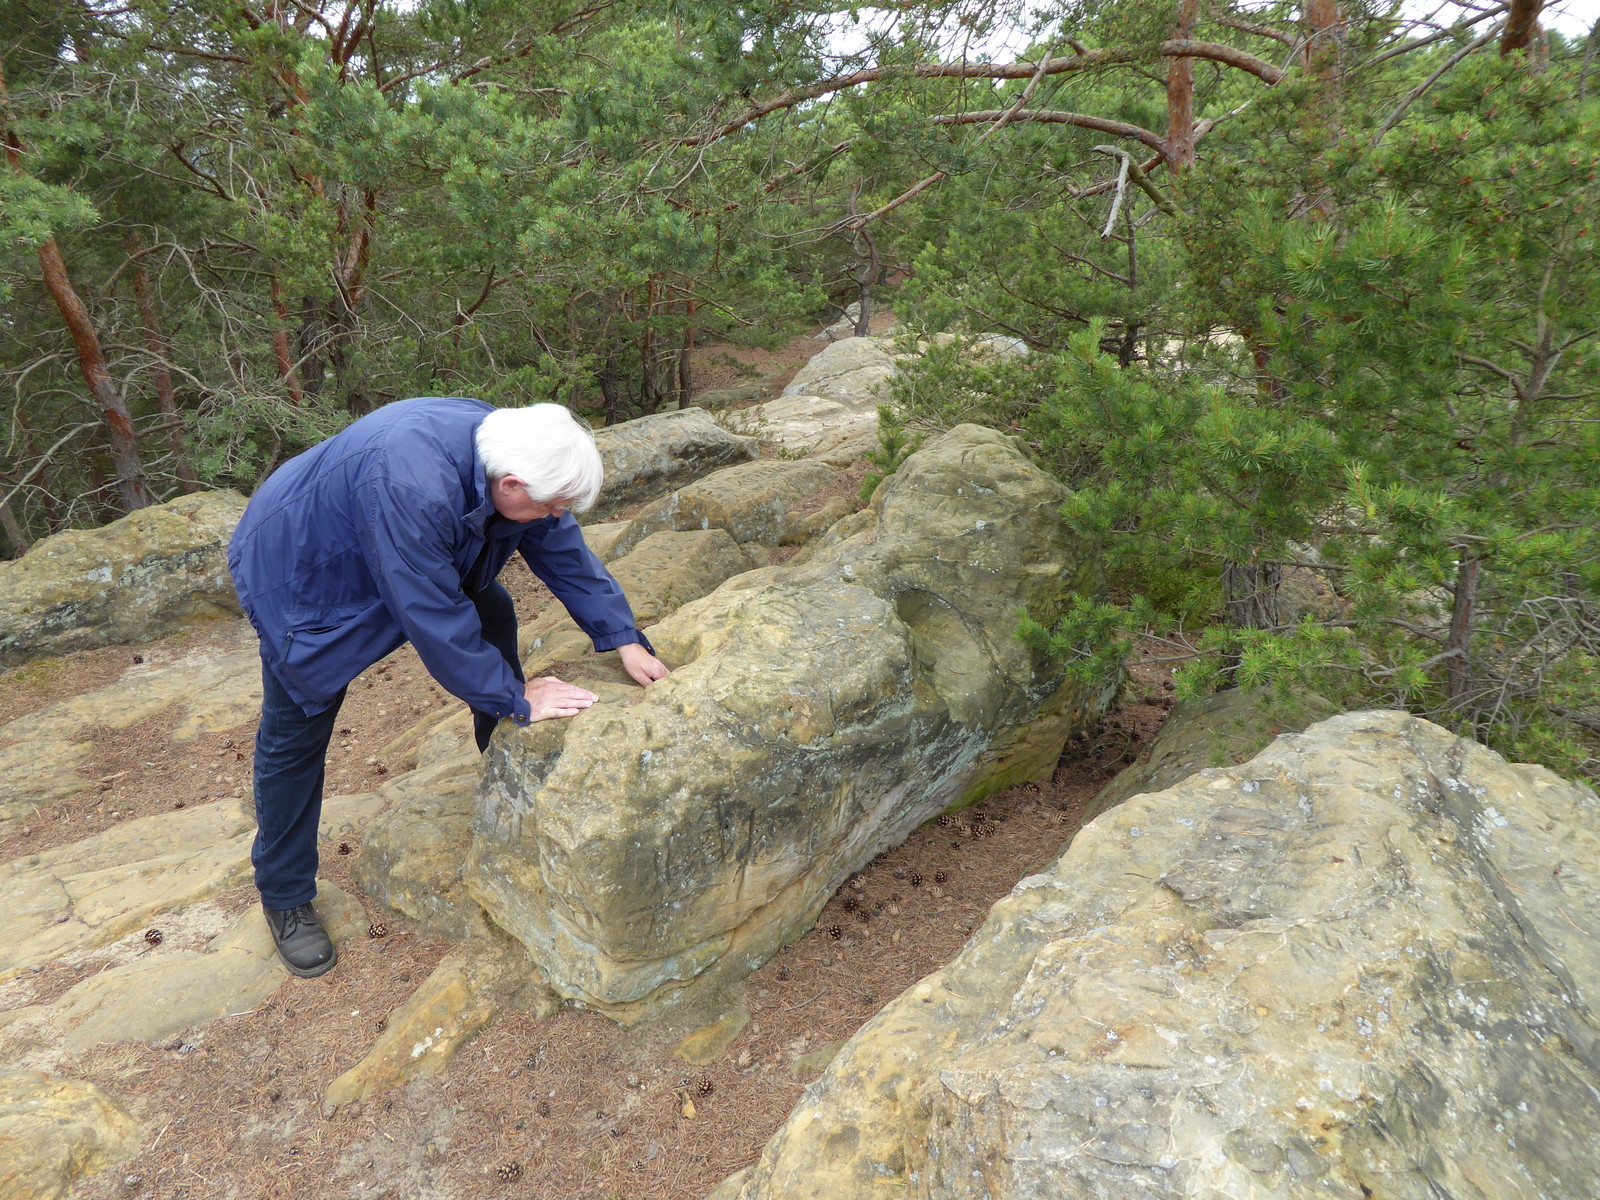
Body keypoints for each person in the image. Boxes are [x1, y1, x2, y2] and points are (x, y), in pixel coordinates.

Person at [227, 398, 668, 977]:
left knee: (493, 611)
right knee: (298, 725)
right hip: (306, 572)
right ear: (509, 485)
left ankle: (504, 762)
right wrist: (518, 697)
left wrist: (620, 635)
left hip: (391, 535)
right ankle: (284, 896)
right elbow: (431, 615)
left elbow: (561, 547)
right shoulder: (415, 487)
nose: (558, 513)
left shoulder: (512, 446)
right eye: (551, 503)